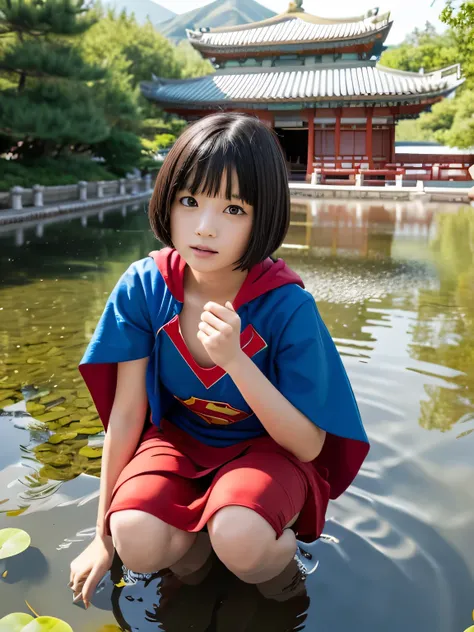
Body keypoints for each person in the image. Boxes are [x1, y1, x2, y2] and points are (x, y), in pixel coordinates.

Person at [69, 112, 370, 610]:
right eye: (189, 201)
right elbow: (126, 416)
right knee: (134, 537)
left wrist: (236, 360)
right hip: (180, 441)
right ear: (168, 200)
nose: (204, 228)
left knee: (242, 535)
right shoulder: (145, 288)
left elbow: (309, 443)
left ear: (264, 216)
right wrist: (99, 534)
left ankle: (281, 587)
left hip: (266, 451)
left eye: (233, 209)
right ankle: (193, 568)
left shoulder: (285, 305)